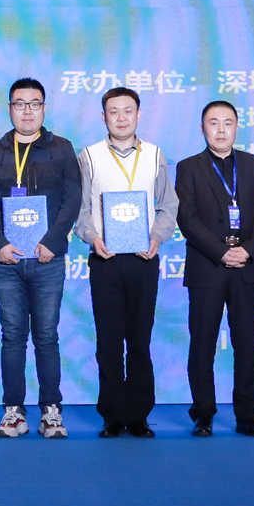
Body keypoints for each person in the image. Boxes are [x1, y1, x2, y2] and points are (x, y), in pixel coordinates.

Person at [0, 78, 81, 439]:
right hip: (7, 260)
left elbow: (72, 198)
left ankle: (51, 411)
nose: (27, 111)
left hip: (47, 259)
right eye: (19, 104)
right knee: (12, 336)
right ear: (10, 109)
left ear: (44, 109)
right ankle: (13, 411)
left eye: (34, 104)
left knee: (47, 336)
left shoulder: (62, 149)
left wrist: (53, 241)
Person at [74, 86, 178, 438]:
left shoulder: (154, 154)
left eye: (127, 111)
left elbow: (168, 205)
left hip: (143, 258)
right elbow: (80, 209)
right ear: (103, 117)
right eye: (113, 111)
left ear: (138, 114)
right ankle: (112, 415)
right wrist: (93, 238)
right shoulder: (89, 156)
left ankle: (138, 415)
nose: (121, 118)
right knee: (108, 341)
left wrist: (156, 238)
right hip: (105, 259)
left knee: (139, 340)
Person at [174, 100, 254, 437]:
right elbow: (187, 218)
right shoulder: (189, 167)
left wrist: (247, 250)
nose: (220, 129)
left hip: (246, 266)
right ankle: (203, 414)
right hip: (207, 267)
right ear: (202, 128)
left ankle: (248, 416)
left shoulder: (252, 164)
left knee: (247, 344)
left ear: (236, 127)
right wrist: (221, 252)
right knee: (203, 343)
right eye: (213, 122)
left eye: (227, 122)